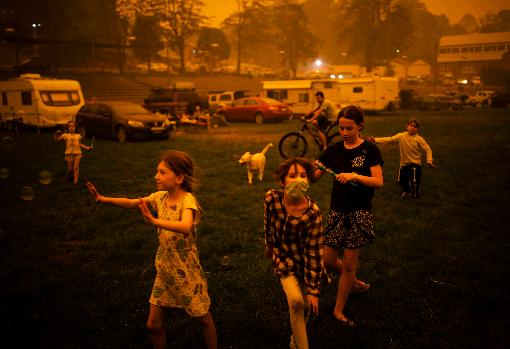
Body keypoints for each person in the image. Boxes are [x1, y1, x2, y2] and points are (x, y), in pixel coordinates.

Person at [86, 150, 217, 349]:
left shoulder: (187, 200)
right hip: (164, 268)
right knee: (153, 325)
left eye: (162, 172)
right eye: (157, 171)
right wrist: (102, 199)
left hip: (185, 270)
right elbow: (132, 202)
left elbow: (186, 226)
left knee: (203, 319)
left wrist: (155, 221)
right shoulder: (160, 197)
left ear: (179, 178)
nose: (156, 176)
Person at [313, 105, 383, 327]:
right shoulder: (334, 150)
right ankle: (355, 283)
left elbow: (378, 182)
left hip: (359, 211)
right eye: (341, 128)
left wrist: (354, 176)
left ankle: (338, 310)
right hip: (337, 210)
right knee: (327, 259)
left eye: (349, 128)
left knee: (350, 264)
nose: (344, 132)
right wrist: (303, 172)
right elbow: (314, 176)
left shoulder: (370, 150)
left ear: (360, 125)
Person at [264, 158, 326, 349]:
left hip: (305, 262)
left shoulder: (313, 213)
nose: (299, 180)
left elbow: (314, 252)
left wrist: (313, 290)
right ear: (283, 182)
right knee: (296, 301)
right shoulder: (272, 199)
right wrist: (269, 244)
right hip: (283, 258)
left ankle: (295, 340)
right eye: (292, 176)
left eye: (303, 175)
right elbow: (268, 222)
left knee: (306, 305)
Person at [367, 117, 435, 198]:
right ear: (407, 126)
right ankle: (407, 190)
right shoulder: (401, 136)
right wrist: (375, 140)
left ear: (418, 129)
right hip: (404, 164)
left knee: (414, 181)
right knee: (401, 181)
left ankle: (415, 196)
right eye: (411, 125)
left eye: (415, 126)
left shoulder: (419, 139)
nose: (413, 128)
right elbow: (389, 139)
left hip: (415, 164)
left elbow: (428, 149)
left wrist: (429, 161)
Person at [54, 120, 92, 184]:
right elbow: (56, 140)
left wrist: (88, 148)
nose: (71, 127)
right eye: (69, 126)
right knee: (70, 169)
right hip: (69, 154)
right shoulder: (65, 135)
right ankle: (70, 177)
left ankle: (75, 182)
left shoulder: (78, 136)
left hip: (77, 153)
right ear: (68, 128)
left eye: (73, 126)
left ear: (75, 127)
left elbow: (80, 144)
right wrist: (56, 134)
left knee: (76, 167)